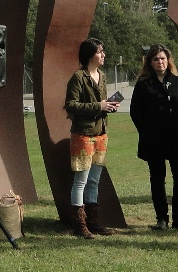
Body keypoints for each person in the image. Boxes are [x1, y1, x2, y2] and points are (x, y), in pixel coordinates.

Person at [129, 44, 178, 230]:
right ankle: (161, 219)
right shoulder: (143, 84)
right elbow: (135, 111)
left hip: (177, 138)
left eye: (163, 58)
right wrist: (145, 131)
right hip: (153, 140)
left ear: (168, 60)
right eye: (156, 59)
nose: (160, 62)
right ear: (150, 62)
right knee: (157, 179)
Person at [64, 37, 120, 239]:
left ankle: (93, 222)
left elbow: (102, 103)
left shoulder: (102, 76)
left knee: (94, 180)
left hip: (101, 133)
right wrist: (99, 106)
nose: (103, 54)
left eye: (103, 51)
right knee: (81, 180)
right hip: (84, 134)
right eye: (99, 51)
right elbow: (71, 105)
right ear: (90, 55)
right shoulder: (78, 77)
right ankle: (79, 225)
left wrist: (109, 107)